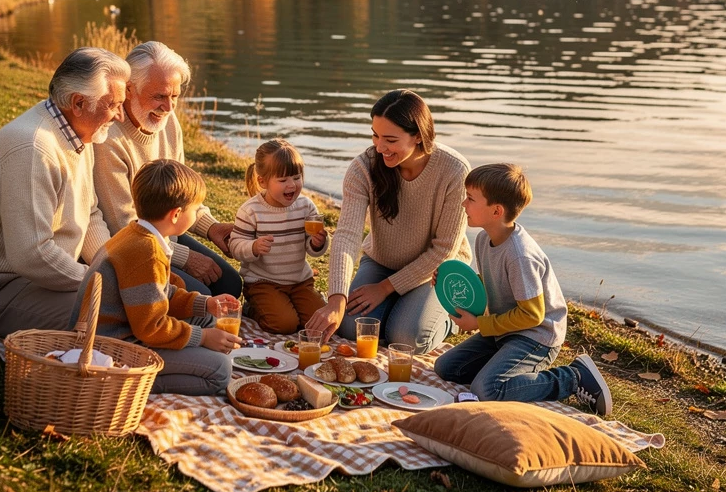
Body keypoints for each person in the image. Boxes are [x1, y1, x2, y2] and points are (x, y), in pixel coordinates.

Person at [0, 48, 129, 335]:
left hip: (31, 279)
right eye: (114, 105)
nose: (121, 116)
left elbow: (88, 214)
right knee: (120, 316)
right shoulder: (33, 149)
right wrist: (99, 284)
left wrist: (117, 272)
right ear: (78, 103)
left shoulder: (79, 132)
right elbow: (32, 254)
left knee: (137, 305)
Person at [433, 163, 613, 415]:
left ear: (496, 211)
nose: (464, 204)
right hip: (503, 331)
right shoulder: (485, 239)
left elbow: (532, 315)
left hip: (536, 336)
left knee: (487, 390)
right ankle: (505, 365)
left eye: (471, 199)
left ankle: (572, 378)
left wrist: (479, 324)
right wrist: (451, 281)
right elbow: (492, 282)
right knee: (446, 368)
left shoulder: (520, 256)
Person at [306, 89, 470, 354]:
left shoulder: (454, 171)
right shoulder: (363, 168)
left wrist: (384, 289)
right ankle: (400, 306)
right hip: (382, 261)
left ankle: (447, 320)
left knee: (408, 338)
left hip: (436, 271)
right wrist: (336, 298)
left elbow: (443, 250)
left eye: (390, 140)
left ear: (418, 135)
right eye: (375, 135)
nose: (379, 147)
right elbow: (347, 235)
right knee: (351, 328)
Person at [72, 159, 242, 396]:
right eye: (195, 209)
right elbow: (151, 327)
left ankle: (191, 348)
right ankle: (128, 384)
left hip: (129, 328)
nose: (196, 214)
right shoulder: (147, 251)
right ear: (176, 215)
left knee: (207, 319)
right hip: (113, 347)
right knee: (221, 371)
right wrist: (203, 338)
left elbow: (160, 292)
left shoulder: (137, 233)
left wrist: (205, 304)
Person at [92, 40, 242, 297]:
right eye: (159, 96)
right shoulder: (109, 140)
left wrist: (211, 227)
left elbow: (183, 193)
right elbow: (123, 225)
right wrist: (185, 258)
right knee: (202, 296)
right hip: (134, 244)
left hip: (169, 231)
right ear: (129, 89)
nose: (169, 108)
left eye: (174, 96)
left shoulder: (169, 122)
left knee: (230, 285)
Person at [227, 139, 328, 334]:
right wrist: (253, 247)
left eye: (296, 177)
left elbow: (312, 247)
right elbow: (235, 246)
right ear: (262, 181)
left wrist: (318, 243)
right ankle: (253, 308)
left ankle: (290, 305)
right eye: (282, 180)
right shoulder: (251, 211)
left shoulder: (306, 207)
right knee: (284, 325)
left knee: (317, 326)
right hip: (263, 282)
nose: (292, 185)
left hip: (299, 281)